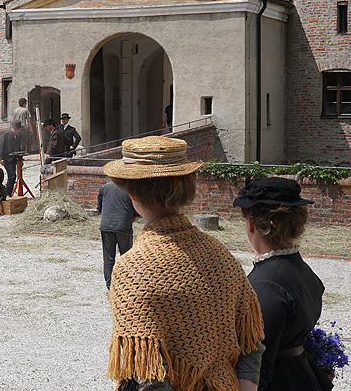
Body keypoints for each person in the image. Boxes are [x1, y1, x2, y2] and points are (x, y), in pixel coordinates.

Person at [103, 136, 265, 391]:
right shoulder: (220, 254)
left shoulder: (131, 269)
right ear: (186, 188)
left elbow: (150, 373)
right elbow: (251, 342)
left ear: (131, 194)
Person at [233, 177, 333, 391]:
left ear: (251, 224)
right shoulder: (303, 270)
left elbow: (258, 370)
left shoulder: (266, 285)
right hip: (300, 374)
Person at [96, 180, 140, 289]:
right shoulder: (131, 188)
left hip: (106, 225)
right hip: (124, 226)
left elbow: (99, 208)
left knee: (108, 258)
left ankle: (110, 287)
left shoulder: (105, 187)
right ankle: (126, 284)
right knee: (126, 257)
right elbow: (138, 212)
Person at [0, 122, 22, 197]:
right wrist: (1, 158)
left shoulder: (18, 136)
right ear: (12, 127)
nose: (17, 131)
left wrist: (20, 159)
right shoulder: (6, 135)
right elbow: (1, 146)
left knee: (13, 175)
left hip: (14, 158)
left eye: (18, 129)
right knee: (12, 175)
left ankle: (9, 191)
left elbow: (18, 148)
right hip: (7, 158)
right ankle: (7, 192)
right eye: (16, 129)